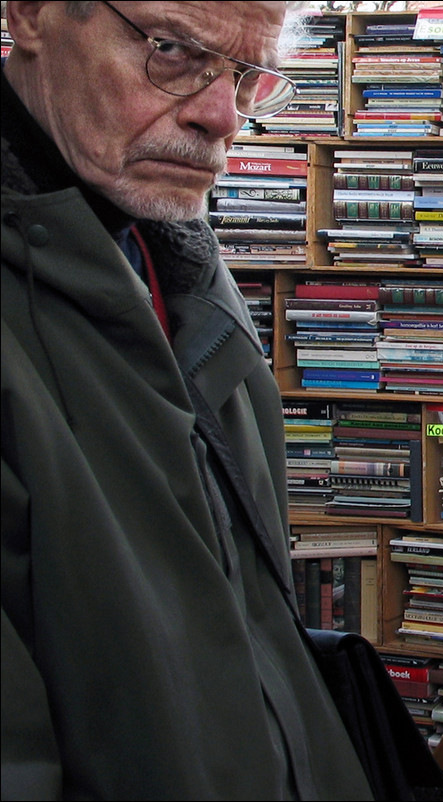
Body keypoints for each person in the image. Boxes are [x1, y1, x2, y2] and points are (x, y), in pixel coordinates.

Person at [1, 2, 375, 798]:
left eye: (248, 78)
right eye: (170, 51)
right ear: (31, 14)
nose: (221, 119)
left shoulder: (174, 251)